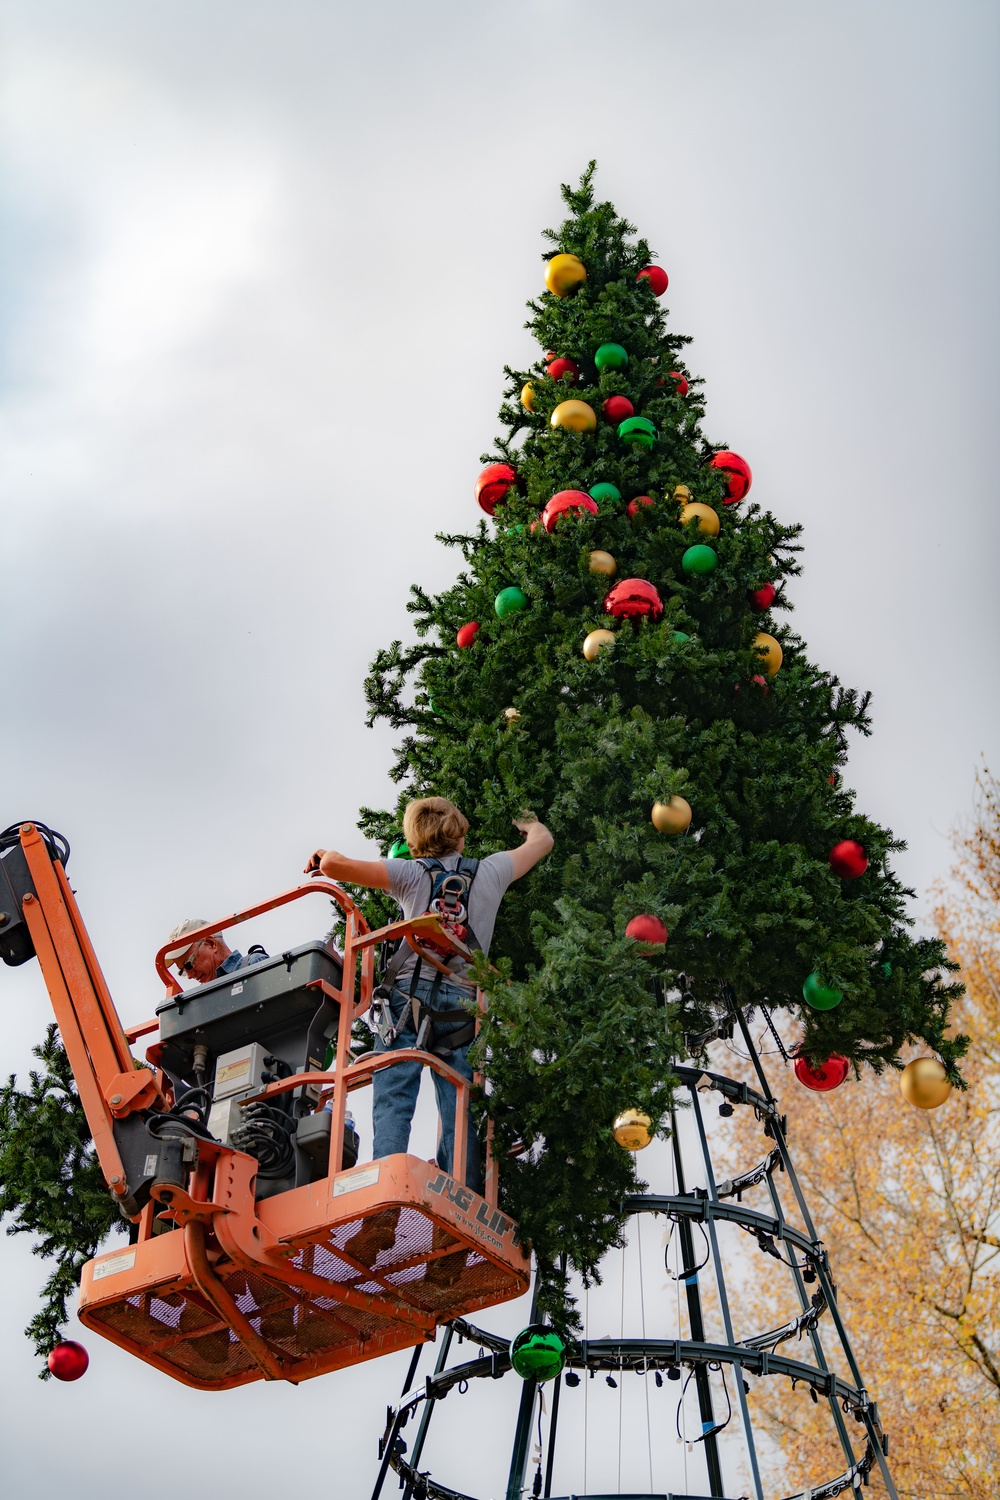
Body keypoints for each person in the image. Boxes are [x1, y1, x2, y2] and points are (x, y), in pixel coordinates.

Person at [305, 798, 553, 1197]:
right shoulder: (491, 872)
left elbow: (334, 867)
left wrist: (322, 856)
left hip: (407, 1000)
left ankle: (385, 1190)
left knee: (394, 1091)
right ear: (461, 833)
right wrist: (528, 822)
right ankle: (462, 1195)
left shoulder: (408, 873)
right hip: (464, 1008)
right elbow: (542, 842)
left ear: (413, 840)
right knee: (460, 1104)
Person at [164, 919, 268, 984]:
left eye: (189, 964)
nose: (189, 976)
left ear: (211, 944)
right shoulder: (200, 1002)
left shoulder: (253, 964)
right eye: (182, 971)